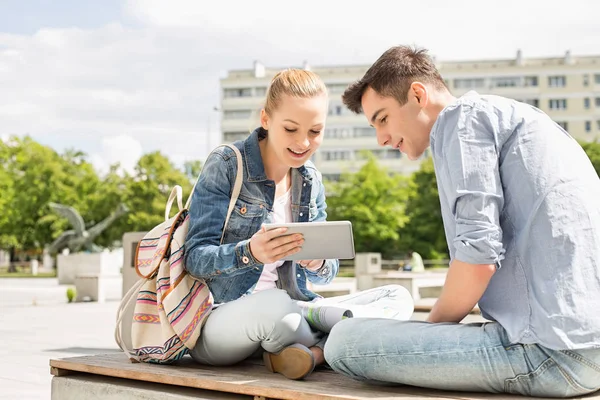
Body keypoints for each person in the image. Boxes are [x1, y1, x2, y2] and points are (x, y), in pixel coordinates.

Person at [323, 45, 600, 397]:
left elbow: (478, 256)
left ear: (417, 95)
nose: (381, 138)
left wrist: (426, 336)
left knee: (344, 343)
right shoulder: (517, 117)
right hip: (587, 344)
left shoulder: (461, 120)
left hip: (551, 355)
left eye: (382, 119)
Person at [184, 68, 414, 381]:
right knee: (278, 307)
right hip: (222, 318)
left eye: (315, 132)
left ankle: (309, 355)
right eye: (291, 129)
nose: (303, 142)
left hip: (295, 309)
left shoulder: (310, 179)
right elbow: (195, 258)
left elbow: (327, 272)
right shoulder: (227, 163)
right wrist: (250, 252)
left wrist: (317, 260)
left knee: (397, 296)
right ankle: (329, 349)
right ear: (266, 119)